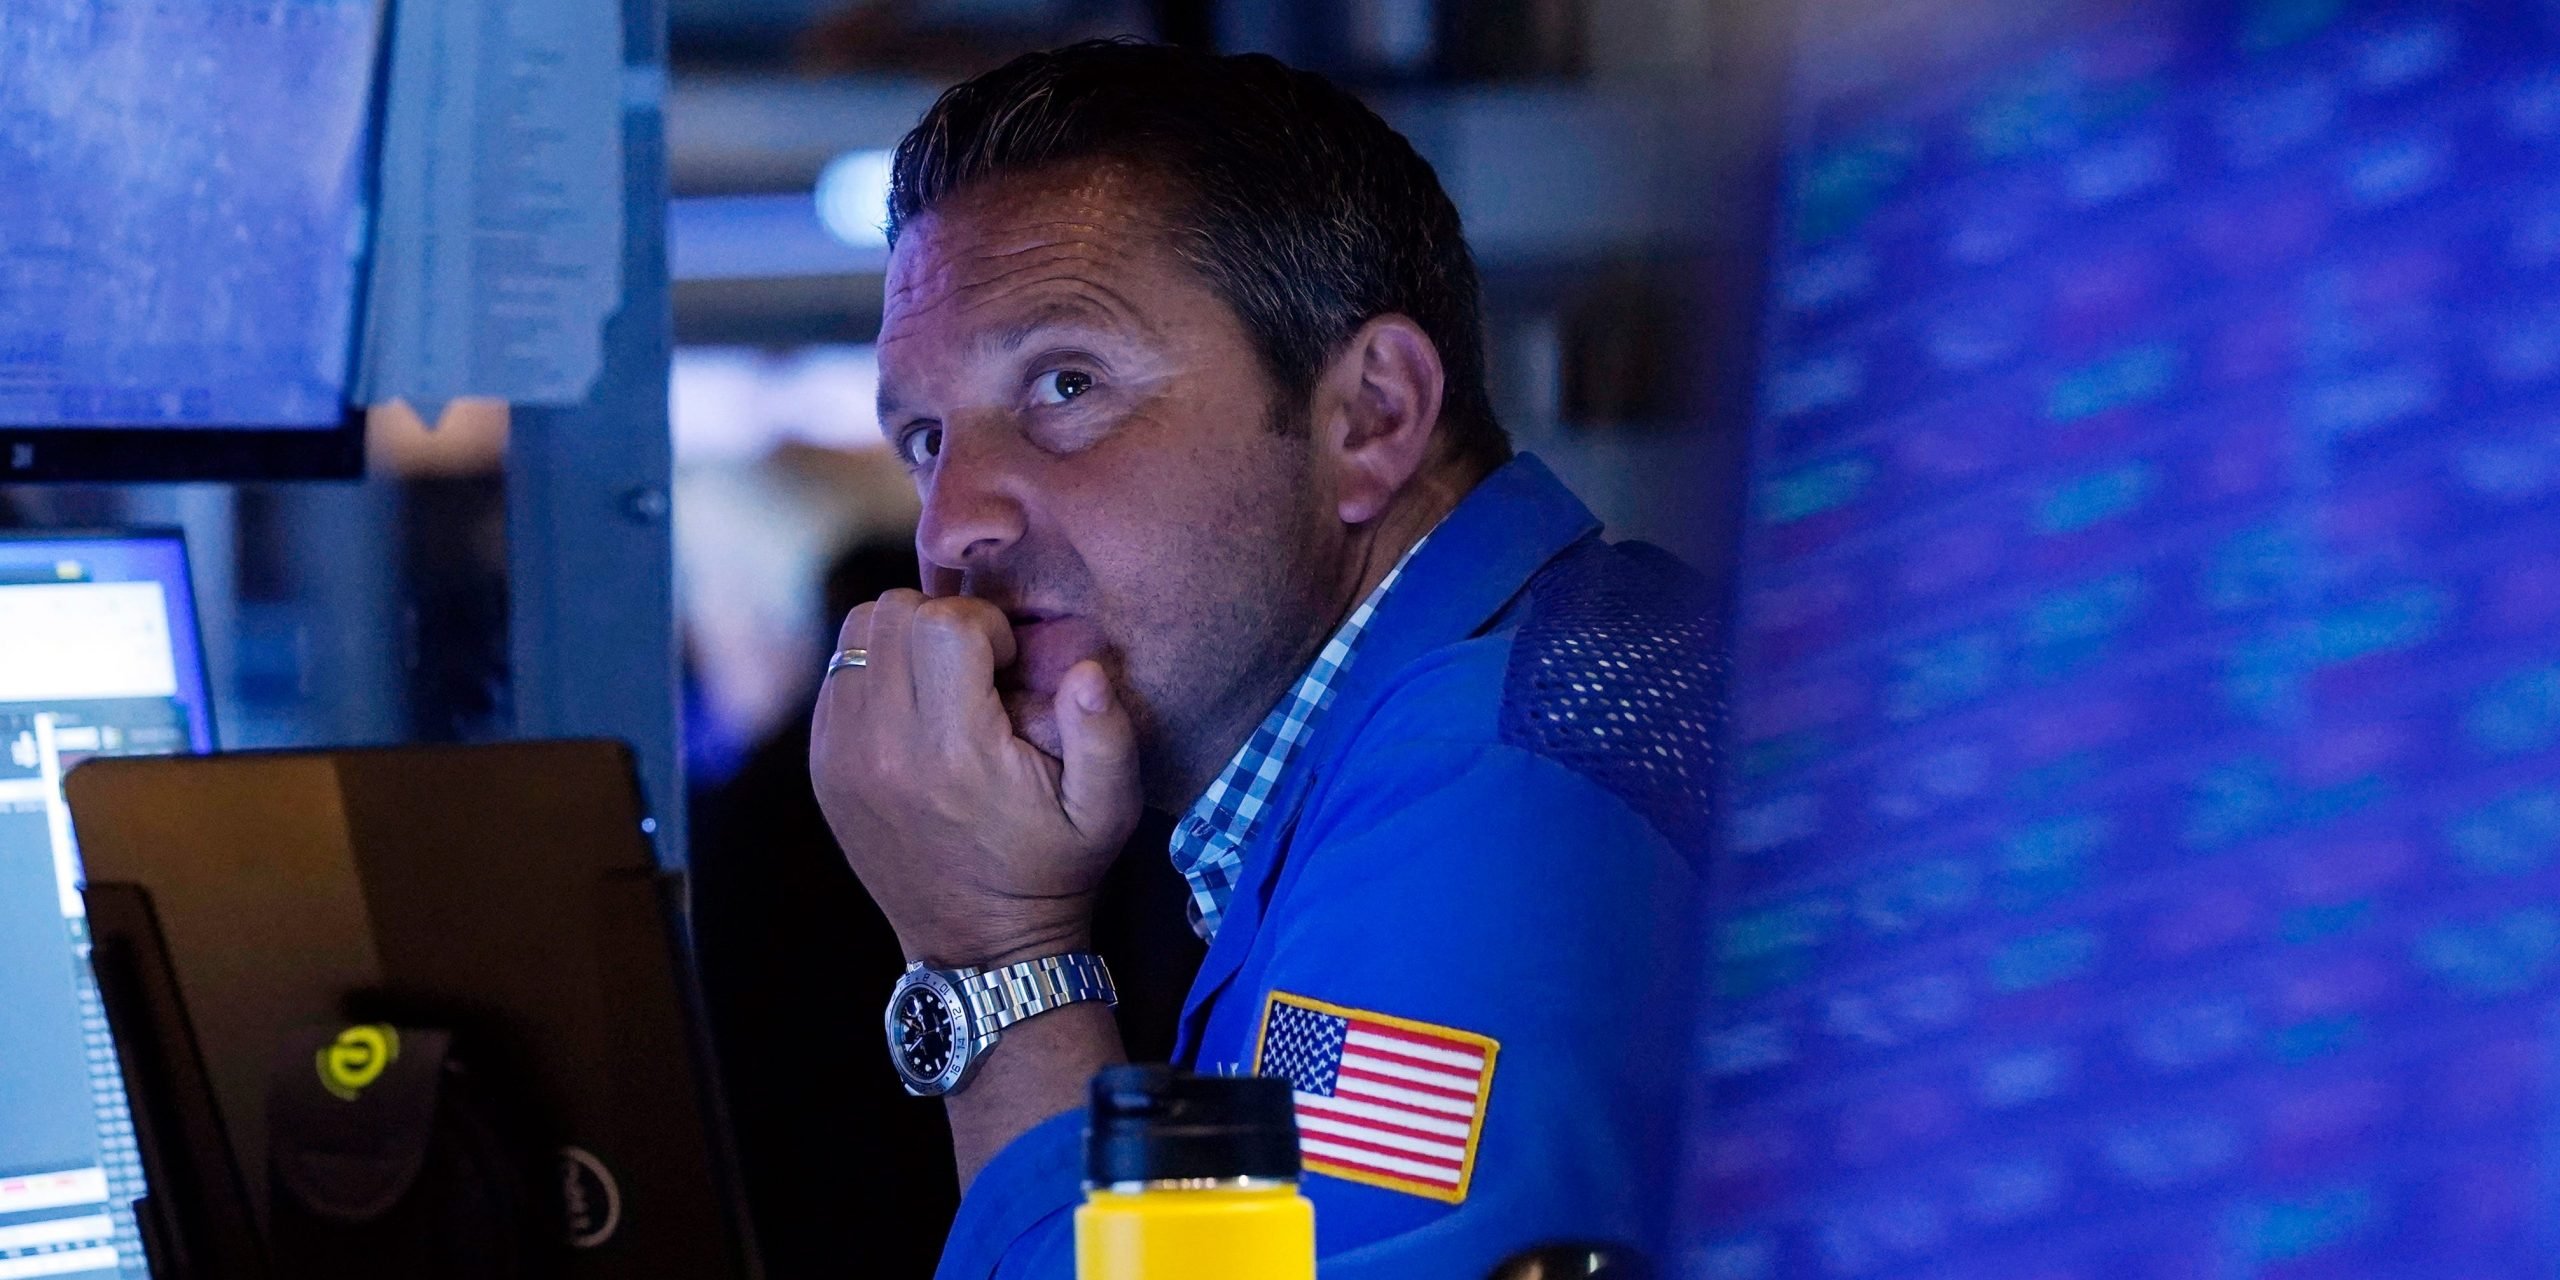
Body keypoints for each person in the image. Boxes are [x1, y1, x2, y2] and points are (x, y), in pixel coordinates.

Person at [808, 39, 1722, 1279]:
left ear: (1372, 415)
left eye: (1065, 383)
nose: (952, 519)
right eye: (922, 437)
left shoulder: (1489, 803)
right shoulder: (1448, 728)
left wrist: (997, 957)